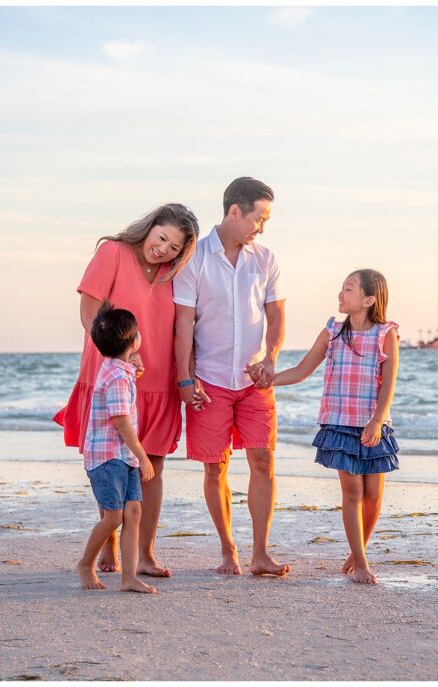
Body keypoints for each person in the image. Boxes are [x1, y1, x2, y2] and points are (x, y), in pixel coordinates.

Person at [55, 203, 199, 578]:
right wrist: (118, 355)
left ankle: (145, 553)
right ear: (149, 227)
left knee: (153, 466)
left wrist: (187, 376)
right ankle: (109, 537)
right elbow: (89, 313)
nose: (163, 250)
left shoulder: (175, 275)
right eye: (161, 238)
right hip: (111, 370)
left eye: (174, 247)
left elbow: (183, 327)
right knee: (110, 461)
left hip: (157, 380)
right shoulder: (113, 253)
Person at [173, 177, 290, 577]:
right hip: (209, 379)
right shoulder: (195, 259)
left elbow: (275, 316)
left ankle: (261, 553)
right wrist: (186, 380)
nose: (262, 227)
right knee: (215, 467)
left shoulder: (266, 258)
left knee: (263, 460)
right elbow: (183, 324)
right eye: (260, 218)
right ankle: (228, 550)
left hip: (256, 380)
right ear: (235, 212)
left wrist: (271, 360)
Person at [270, 269, 400, 585]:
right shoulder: (332, 332)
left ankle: (358, 552)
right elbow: (302, 370)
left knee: (374, 495)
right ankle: (361, 563)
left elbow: (388, 384)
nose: (341, 295)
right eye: (342, 288)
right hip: (340, 424)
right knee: (353, 492)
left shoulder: (385, 334)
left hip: (372, 424)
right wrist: (269, 379)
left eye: (349, 290)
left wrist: (377, 420)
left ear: (369, 299)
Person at [76, 303, 157, 594]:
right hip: (108, 457)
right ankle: (86, 563)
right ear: (135, 341)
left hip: (122, 457)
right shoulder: (117, 377)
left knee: (132, 512)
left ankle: (129, 577)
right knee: (114, 515)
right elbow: (122, 422)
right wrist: (143, 456)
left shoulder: (117, 370)